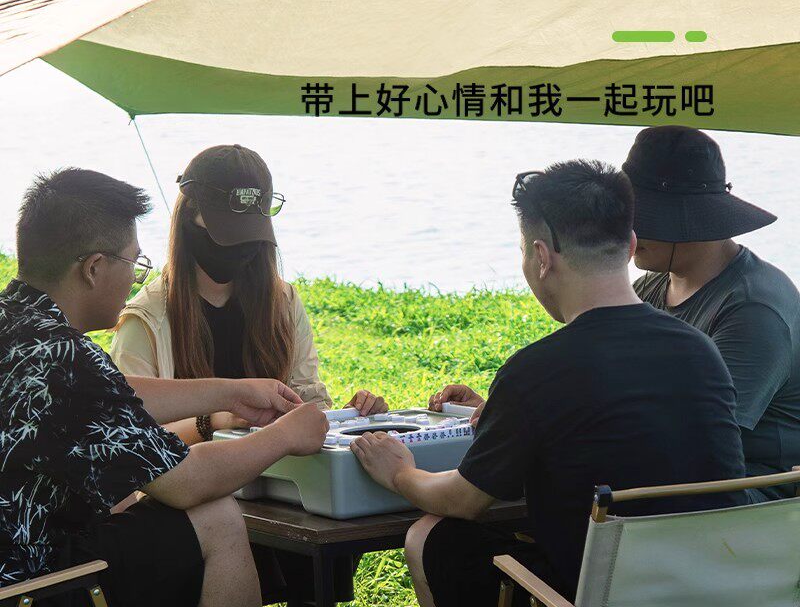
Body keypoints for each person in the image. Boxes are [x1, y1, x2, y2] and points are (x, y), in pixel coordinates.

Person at [351, 160, 747, 607]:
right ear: (631, 245)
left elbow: (463, 501)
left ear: (541, 257)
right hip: (713, 587)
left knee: (430, 536)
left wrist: (400, 472)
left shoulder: (536, 370)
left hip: (600, 594)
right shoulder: (701, 351)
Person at [0, 168, 328, 607]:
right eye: (134, 263)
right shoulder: (67, 358)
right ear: (94, 268)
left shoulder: (18, 325)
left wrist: (230, 392)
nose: (136, 279)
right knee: (215, 516)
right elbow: (184, 482)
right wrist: (285, 435)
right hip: (30, 584)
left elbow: (109, 393)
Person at [110, 144, 386, 604]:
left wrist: (349, 417)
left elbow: (307, 400)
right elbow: (135, 446)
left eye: (250, 237)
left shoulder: (282, 302)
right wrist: (217, 421)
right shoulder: (146, 320)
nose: (239, 250)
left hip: (284, 484)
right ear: (190, 216)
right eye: (227, 236)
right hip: (197, 491)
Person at [623, 126, 800, 499]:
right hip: (672, 466)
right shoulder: (651, 286)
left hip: (747, 491)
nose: (627, 231)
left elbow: (701, 441)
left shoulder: (752, 308)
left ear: (690, 217)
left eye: (641, 216)